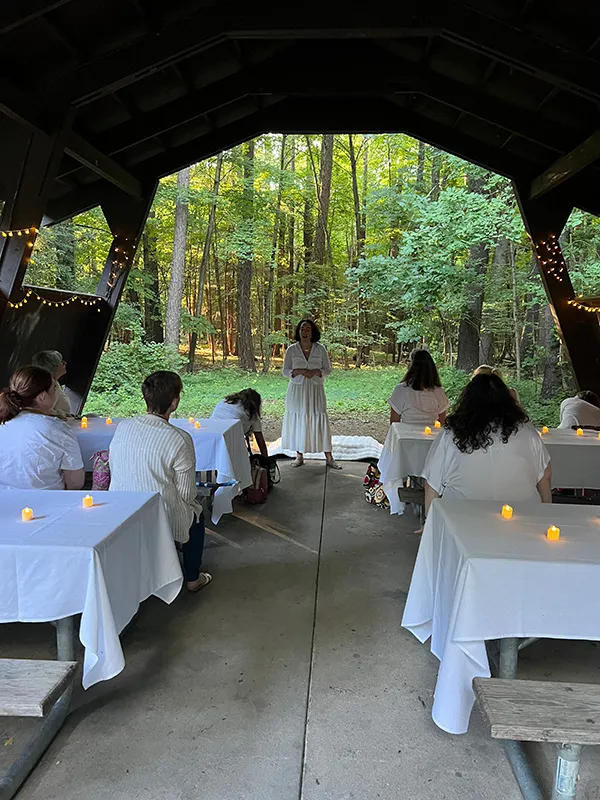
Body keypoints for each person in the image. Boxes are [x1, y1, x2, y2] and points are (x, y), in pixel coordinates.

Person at [108, 371, 211, 593]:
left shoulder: (123, 426)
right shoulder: (179, 438)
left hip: (121, 506)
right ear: (174, 403)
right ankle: (193, 577)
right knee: (197, 512)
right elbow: (186, 493)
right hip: (160, 514)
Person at [422, 373, 552, 518]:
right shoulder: (527, 432)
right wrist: (546, 516)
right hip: (522, 518)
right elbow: (545, 477)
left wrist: (430, 523)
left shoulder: (451, 434)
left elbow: (431, 484)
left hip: (462, 519)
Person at [0, 365, 84, 490]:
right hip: (47, 502)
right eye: (54, 388)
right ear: (42, 396)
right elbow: (75, 483)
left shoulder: (4, 422)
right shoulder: (58, 429)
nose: (56, 391)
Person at [281, 319, 340, 469]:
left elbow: (328, 370)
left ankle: (329, 457)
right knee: (299, 419)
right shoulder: (292, 349)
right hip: (297, 391)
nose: (304, 332)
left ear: (312, 332)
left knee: (319, 417)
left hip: (315, 390)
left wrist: (316, 372)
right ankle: (299, 455)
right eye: (302, 329)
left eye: (307, 329)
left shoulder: (320, 349)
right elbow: (285, 371)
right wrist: (299, 371)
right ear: (298, 332)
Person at [388, 349, 448, 425]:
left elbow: (394, 422)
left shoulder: (401, 390)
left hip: (405, 435)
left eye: (409, 361)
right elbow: (442, 422)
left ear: (412, 366)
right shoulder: (439, 392)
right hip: (432, 435)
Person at [211, 388, 269, 458]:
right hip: (231, 440)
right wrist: (266, 459)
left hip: (212, 433)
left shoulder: (224, 402)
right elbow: (260, 440)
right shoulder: (252, 414)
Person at [32, 350, 72, 418]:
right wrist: (63, 415)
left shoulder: (54, 382)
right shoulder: (48, 386)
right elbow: (43, 411)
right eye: (61, 362)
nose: (65, 363)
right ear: (53, 366)